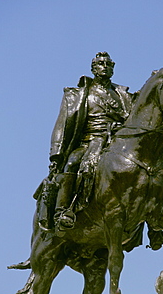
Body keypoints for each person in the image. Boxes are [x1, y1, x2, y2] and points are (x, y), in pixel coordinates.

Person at [40, 51, 137, 231]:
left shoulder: (123, 95)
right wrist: (55, 155)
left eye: (109, 64)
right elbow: (62, 124)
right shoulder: (78, 95)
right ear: (93, 68)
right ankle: (63, 211)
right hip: (88, 142)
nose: (105, 67)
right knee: (72, 163)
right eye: (101, 64)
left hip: (117, 143)